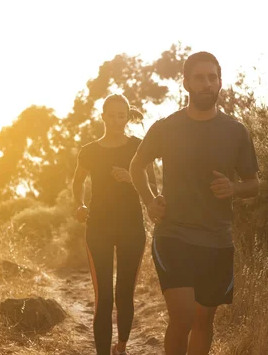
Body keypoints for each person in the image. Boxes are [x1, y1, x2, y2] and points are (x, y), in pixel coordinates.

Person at [130, 51, 260, 355]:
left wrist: (233, 188)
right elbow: (137, 166)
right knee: (184, 315)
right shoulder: (166, 127)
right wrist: (149, 201)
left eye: (212, 78)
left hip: (216, 239)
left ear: (220, 83)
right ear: (186, 83)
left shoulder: (236, 131)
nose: (207, 84)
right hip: (173, 234)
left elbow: (254, 184)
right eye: (199, 78)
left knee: (204, 320)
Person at [72, 94, 157, 355]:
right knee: (104, 298)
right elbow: (77, 183)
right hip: (98, 228)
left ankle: (121, 346)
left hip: (131, 228)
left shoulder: (139, 147)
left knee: (124, 295)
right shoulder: (89, 151)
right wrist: (79, 205)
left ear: (127, 117)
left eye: (122, 115)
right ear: (103, 116)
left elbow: (153, 188)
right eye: (112, 115)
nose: (117, 120)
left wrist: (132, 179)